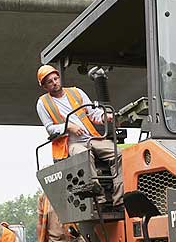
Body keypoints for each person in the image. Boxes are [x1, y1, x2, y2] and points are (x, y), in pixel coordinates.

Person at [35, 65, 123, 206]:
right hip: (70, 144)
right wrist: (69, 127)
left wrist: (105, 117)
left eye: (55, 78)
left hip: (91, 138)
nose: (54, 82)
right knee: (85, 155)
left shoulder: (77, 93)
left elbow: (93, 114)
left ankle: (120, 199)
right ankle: (98, 198)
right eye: (50, 81)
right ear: (45, 86)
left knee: (118, 152)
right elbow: (50, 129)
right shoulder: (43, 103)